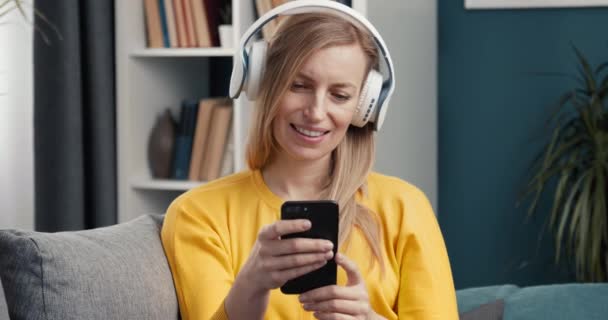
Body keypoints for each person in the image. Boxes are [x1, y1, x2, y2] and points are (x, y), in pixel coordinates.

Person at [161, 3, 458, 320]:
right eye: (299, 86)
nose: (316, 112)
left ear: (364, 108)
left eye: (340, 95)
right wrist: (253, 283)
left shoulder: (405, 207)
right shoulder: (199, 214)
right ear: (265, 84)